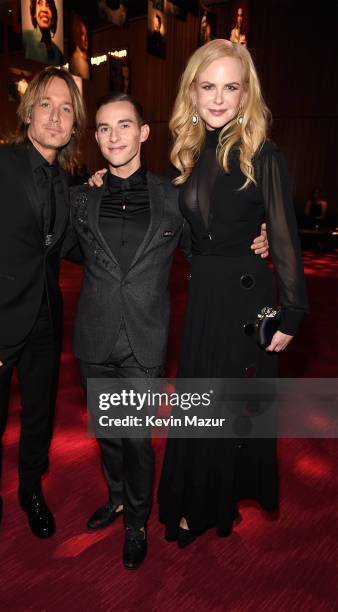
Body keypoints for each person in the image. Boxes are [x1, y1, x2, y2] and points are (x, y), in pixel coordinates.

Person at [65, 92, 268, 569]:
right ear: (95, 137)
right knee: (108, 434)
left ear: (143, 132)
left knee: (135, 438)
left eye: (123, 126)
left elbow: (207, 250)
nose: (113, 136)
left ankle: (136, 521)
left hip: (144, 338)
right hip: (94, 337)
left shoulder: (173, 198)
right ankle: (115, 498)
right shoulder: (81, 196)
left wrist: (256, 240)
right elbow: (68, 251)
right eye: (103, 128)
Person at [158, 39, 308, 548]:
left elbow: (284, 234)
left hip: (245, 299)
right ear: (193, 92)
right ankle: (199, 501)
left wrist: (292, 312)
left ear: (246, 96)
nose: (218, 98)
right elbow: (186, 231)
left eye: (230, 87)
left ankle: (206, 506)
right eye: (208, 86)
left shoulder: (263, 154)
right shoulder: (190, 150)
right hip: (203, 300)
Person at [0, 67, 86, 584]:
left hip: (46, 326)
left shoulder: (66, 182)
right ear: (28, 112)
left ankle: (32, 490)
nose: (56, 115)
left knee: (39, 421)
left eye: (66, 109)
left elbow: (70, 247)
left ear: (74, 126)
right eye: (46, 105)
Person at [23, 0, 64, 66]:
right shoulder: (25, 39)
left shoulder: (58, 53)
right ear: (34, 13)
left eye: (48, 5)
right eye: (39, 3)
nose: (44, 9)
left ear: (53, 15)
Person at [70, 14, 90, 80]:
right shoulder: (76, 59)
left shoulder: (84, 58)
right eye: (82, 34)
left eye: (86, 35)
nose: (86, 39)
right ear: (76, 36)